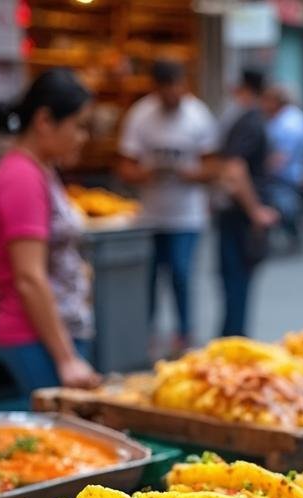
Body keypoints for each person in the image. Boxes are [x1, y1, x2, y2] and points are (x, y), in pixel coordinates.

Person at [0, 70, 102, 397]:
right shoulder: (21, 177)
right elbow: (29, 277)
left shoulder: (39, 169)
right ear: (45, 120)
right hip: (34, 336)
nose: (82, 137)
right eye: (78, 126)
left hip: (50, 333)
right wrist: (66, 358)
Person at [118, 60, 217, 354]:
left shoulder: (198, 115)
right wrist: (147, 173)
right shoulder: (141, 115)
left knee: (181, 275)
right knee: (148, 278)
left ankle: (184, 334)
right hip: (150, 215)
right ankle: (146, 334)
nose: (173, 94)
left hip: (187, 216)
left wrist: (189, 174)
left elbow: (213, 166)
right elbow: (125, 166)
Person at [214, 68, 277, 338]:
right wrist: (255, 211)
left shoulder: (240, 118)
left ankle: (231, 340)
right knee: (237, 284)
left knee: (235, 284)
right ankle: (232, 344)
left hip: (235, 212)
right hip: (239, 216)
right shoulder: (249, 120)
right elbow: (235, 169)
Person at [262, 84, 303, 249]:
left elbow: (281, 157)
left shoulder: (286, 123)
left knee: (284, 208)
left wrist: (263, 171)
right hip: (297, 173)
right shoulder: (295, 117)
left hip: (287, 177)